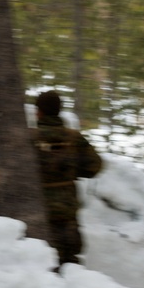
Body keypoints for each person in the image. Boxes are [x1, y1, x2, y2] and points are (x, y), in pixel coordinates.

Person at [31, 90, 102, 267]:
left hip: (40, 208)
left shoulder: (29, 137)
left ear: (39, 111)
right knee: (71, 261)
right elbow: (95, 166)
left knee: (42, 259)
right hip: (68, 208)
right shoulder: (73, 138)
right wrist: (72, 170)